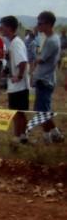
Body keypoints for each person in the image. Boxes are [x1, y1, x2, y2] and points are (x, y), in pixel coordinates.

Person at [32, 10, 64, 143]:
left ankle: (53, 135)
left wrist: (36, 56)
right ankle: (52, 135)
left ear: (49, 24)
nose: (38, 26)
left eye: (40, 23)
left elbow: (40, 59)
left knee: (43, 111)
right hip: (44, 78)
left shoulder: (51, 41)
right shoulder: (50, 38)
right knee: (42, 110)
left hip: (45, 79)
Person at [0, 16, 29, 144]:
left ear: (10, 28)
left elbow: (23, 62)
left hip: (18, 85)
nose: (1, 29)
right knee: (20, 113)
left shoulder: (16, 43)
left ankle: (17, 137)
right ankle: (23, 136)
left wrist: (19, 76)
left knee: (16, 113)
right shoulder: (13, 42)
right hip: (17, 85)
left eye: (2, 27)